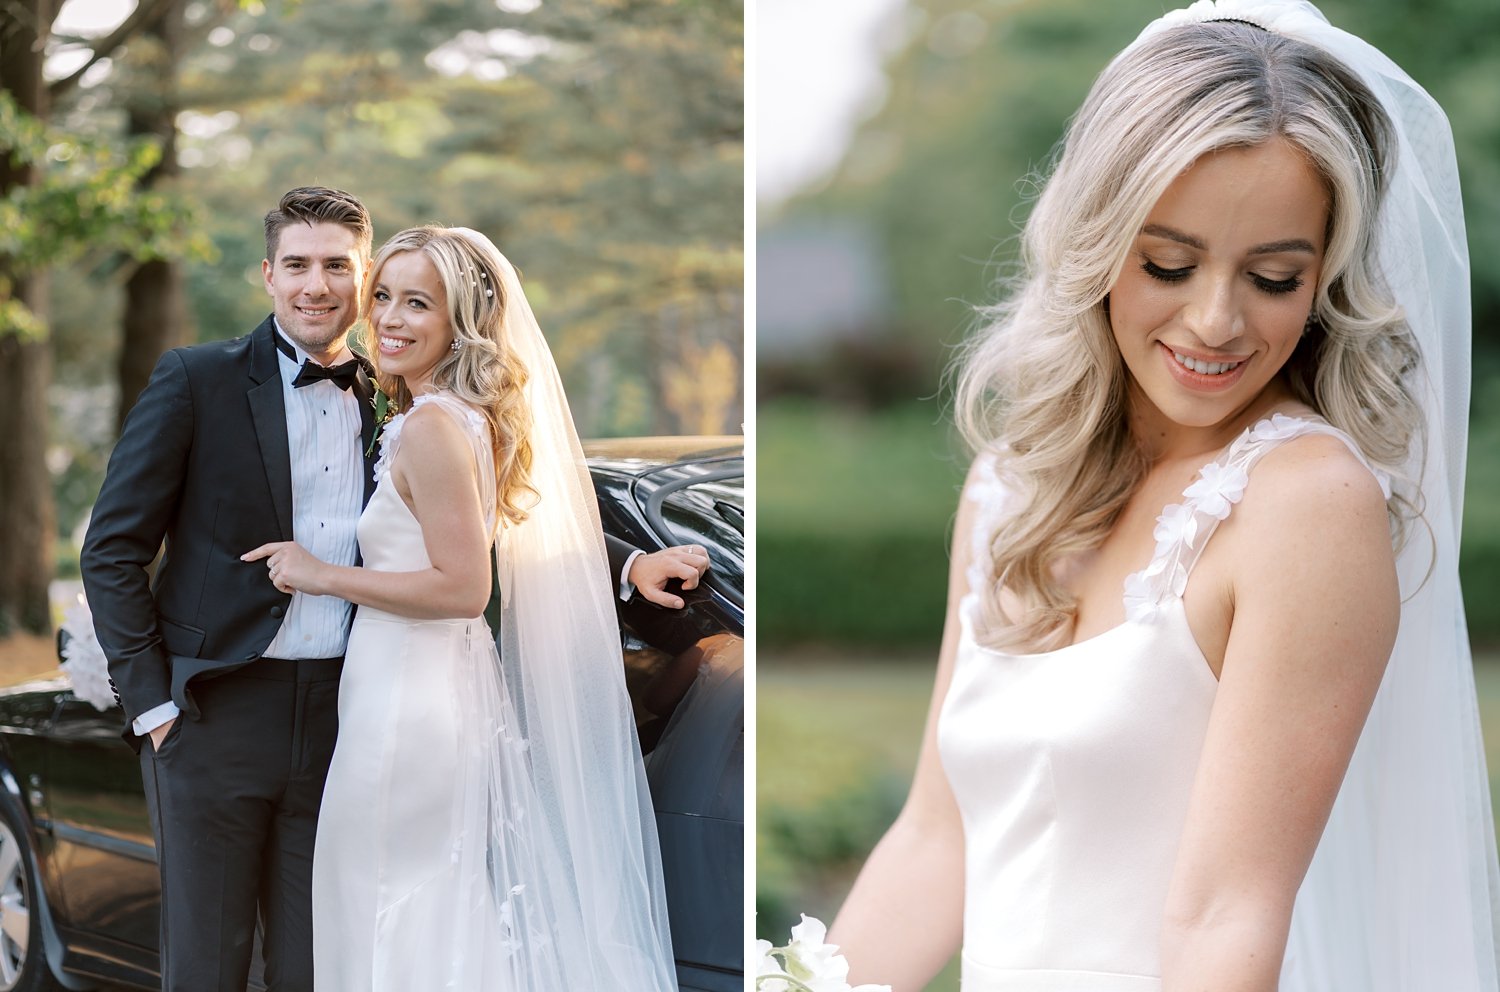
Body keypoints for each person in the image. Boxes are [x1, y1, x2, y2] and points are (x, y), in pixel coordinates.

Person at [823, 3, 1499, 991]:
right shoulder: (1011, 487)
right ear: (1095, 242)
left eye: (1274, 276)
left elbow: (1227, 914)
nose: (1216, 320)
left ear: (1325, 278)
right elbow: (938, 839)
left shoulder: (1304, 504)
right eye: (1169, 264)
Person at [80, 187, 702, 991]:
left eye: (338, 266)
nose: (317, 285)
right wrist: (153, 707)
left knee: (330, 958)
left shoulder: (396, 392)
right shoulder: (196, 381)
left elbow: (492, 511)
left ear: (360, 276)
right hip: (214, 713)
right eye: (297, 265)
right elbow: (112, 548)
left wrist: (623, 563)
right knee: (208, 964)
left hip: (351, 714)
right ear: (267, 275)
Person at [243, 225, 678, 989]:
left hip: (410, 702)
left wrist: (321, 574)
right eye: (383, 298)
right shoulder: (444, 416)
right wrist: (633, 562)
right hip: (414, 686)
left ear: (460, 324)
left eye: (419, 304)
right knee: (414, 896)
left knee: (394, 899)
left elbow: (463, 587)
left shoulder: (435, 427)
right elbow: (517, 539)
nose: (391, 319)